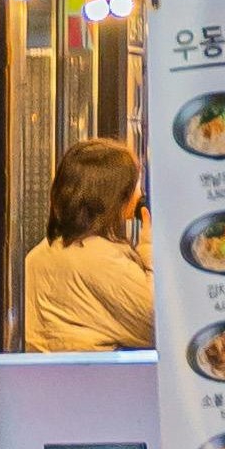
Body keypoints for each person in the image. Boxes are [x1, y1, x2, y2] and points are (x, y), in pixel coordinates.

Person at [19, 140, 152, 353]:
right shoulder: (102, 259)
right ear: (115, 195)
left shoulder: (42, 252)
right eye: (135, 184)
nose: (140, 194)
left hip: (49, 379)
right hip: (92, 379)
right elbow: (158, 324)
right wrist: (150, 246)